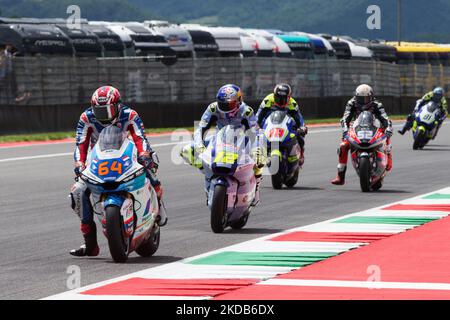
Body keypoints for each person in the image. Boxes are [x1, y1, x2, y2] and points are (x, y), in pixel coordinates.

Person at [69, 85, 166, 257]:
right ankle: (90, 244)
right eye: (99, 111)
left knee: (151, 171)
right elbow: (80, 144)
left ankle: (159, 209)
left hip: (127, 154)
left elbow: (140, 137)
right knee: (78, 192)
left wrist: (144, 155)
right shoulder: (86, 118)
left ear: (117, 105)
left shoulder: (130, 115)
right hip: (99, 159)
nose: (104, 115)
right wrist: (79, 164)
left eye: (108, 110)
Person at [181, 84, 263, 206]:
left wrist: (256, 150)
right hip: (219, 139)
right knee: (187, 150)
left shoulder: (246, 111)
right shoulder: (213, 109)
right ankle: (209, 174)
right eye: (222, 103)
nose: (225, 107)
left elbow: (256, 133)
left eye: (229, 104)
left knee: (261, 157)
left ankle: (256, 188)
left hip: (242, 141)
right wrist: (199, 145)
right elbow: (200, 128)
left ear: (239, 101)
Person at [331, 84, 393, 185]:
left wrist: (389, 128)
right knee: (343, 146)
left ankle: (389, 156)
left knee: (386, 135)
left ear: (371, 97)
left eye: (366, 98)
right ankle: (340, 176)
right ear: (356, 97)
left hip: (374, 127)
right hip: (357, 128)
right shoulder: (351, 103)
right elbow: (345, 118)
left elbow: (385, 118)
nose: (363, 101)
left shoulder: (377, 104)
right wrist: (345, 130)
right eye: (361, 98)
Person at [256, 83, 308, 166]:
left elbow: (299, 118)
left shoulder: (292, 103)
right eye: (278, 98)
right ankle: (260, 155)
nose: (281, 101)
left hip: (285, 125)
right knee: (258, 134)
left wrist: (302, 127)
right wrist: (256, 126)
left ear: (289, 97)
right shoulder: (268, 100)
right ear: (274, 95)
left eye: (284, 99)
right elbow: (258, 115)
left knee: (300, 133)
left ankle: (301, 153)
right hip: (269, 123)